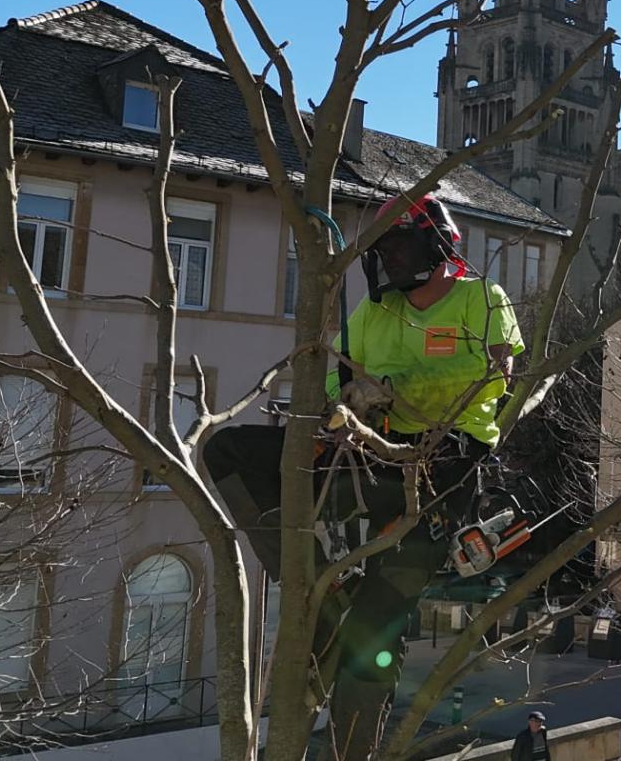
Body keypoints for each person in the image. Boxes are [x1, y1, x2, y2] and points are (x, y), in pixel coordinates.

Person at [205, 193, 525, 761]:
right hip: (368, 457)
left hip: (441, 469)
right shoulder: (374, 312)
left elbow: (497, 370)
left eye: (399, 248)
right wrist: (342, 406)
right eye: (384, 252)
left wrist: (398, 387)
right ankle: (319, 587)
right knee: (229, 452)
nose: (390, 262)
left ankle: (351, 751)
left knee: (377, 625)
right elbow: (338, 376)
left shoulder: (482, 298)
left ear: (435, 244)